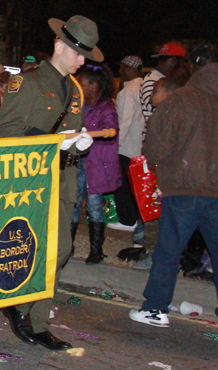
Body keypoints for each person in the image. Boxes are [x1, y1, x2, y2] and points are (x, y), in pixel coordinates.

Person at [0, 15, 99, 351]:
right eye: (78, 53)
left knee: (56, 251)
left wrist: (79, 144)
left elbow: (72, 132)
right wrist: (56, 141)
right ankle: (21, 308)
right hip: (34, 180)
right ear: (59, 46)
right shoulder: (26, 83)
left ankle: (37, 321)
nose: (83, 61)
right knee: (52, 249)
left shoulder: (75, 89)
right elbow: (6, 129)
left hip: (64, 179)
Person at [129, 43, 218, 328]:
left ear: (193, 66)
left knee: (168, 250)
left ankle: (155, 308)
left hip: (184, 187)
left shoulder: (182, 99)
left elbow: (155, 150)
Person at [71, 64, 120, 264]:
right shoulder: (79, 105)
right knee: (74, 203)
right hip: (80, 161)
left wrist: (87, 135)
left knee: (94, 206)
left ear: (93, 85)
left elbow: (111, 132)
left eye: (81, 83)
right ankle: (68, 246)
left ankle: (96, 250)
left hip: (96, 164)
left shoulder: (106, 108)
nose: (78, 87)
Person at [112, 55, 148, 261]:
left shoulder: (128, 92)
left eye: (122, 67)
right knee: (138, 187)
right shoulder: (145, 87)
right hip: (139, 145)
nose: (121, 70)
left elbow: (123, 123)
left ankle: (127, 220)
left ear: (127, 68)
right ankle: (135, 218)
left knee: (124, 185)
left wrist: (114, 146)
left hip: (127, 146)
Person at [140, 42, 186, 132]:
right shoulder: (152, 81)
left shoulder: (162, 80)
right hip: (158, 137)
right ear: (172, 61)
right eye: (182, 63)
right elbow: (156, 111)